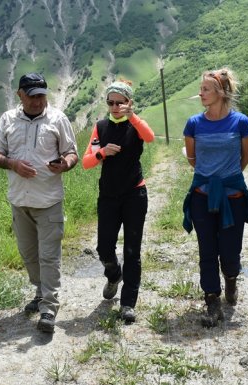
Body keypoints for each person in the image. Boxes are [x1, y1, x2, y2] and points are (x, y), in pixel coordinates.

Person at [0, 72, 79, 333]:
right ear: (20, 95)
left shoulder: (58, 119)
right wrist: (12, 164)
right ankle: (40, 292)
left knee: (49, 256)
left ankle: (49, 308)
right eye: (32, 97)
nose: (38, 101)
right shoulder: (7, 119)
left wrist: (65, 164)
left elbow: (71, 152)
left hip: (49, 200)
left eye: (42, 96)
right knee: (29, 255)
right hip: (19, 200)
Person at [181, 68, 248, 327]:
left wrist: (226, 178)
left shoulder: (241, 122)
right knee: (207, 249)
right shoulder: (194, 124)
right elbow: (192, 158)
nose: (201, 93)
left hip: (233, 196)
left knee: (230, 248)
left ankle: (231, 278)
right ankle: (212, 300)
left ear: (221, 93)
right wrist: (211, 179)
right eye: (201, 88)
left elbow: (245, 157)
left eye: (206, 89)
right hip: (202, 195)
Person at [82, 79, 155, 324]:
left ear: (128, 102)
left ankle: (127, 304)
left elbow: (150, 137)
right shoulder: (100, 127)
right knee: (104, 248)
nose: (115, 107)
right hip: (109, 196)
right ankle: (114, 275)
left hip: (135, 194)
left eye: (120, 102)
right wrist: (102, 153)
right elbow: (86, 161)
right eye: (111, 102)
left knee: (132, 250)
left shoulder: (136, 125)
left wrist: (132, 117)